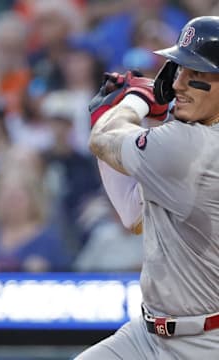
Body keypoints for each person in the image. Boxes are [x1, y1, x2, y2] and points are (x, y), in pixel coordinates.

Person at [75, 16, 219, 359]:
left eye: (196, 74)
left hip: (204, 345)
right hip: (148, 334)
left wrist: (136, 99)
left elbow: (104, 139)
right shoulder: (186, 139)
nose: (179, 83)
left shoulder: (193, 145)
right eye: (179, 68)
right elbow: (134, 213)